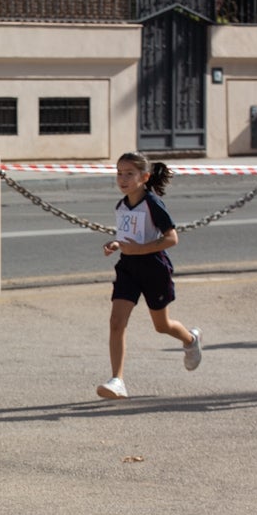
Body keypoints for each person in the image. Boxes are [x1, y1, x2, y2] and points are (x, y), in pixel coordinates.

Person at [97, 152, 202, 399]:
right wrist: (116, 244)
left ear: (144, 177)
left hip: (154, 267)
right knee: (116, 323)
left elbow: (171, 238)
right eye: (119, 173)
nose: (122, 179)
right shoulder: (121, 205)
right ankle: (117, 380)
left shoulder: (152, 203)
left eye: (129, 174)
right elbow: (128, 236)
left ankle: (190, 340)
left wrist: (139, 249)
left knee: (162, 325)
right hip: (127, 268)